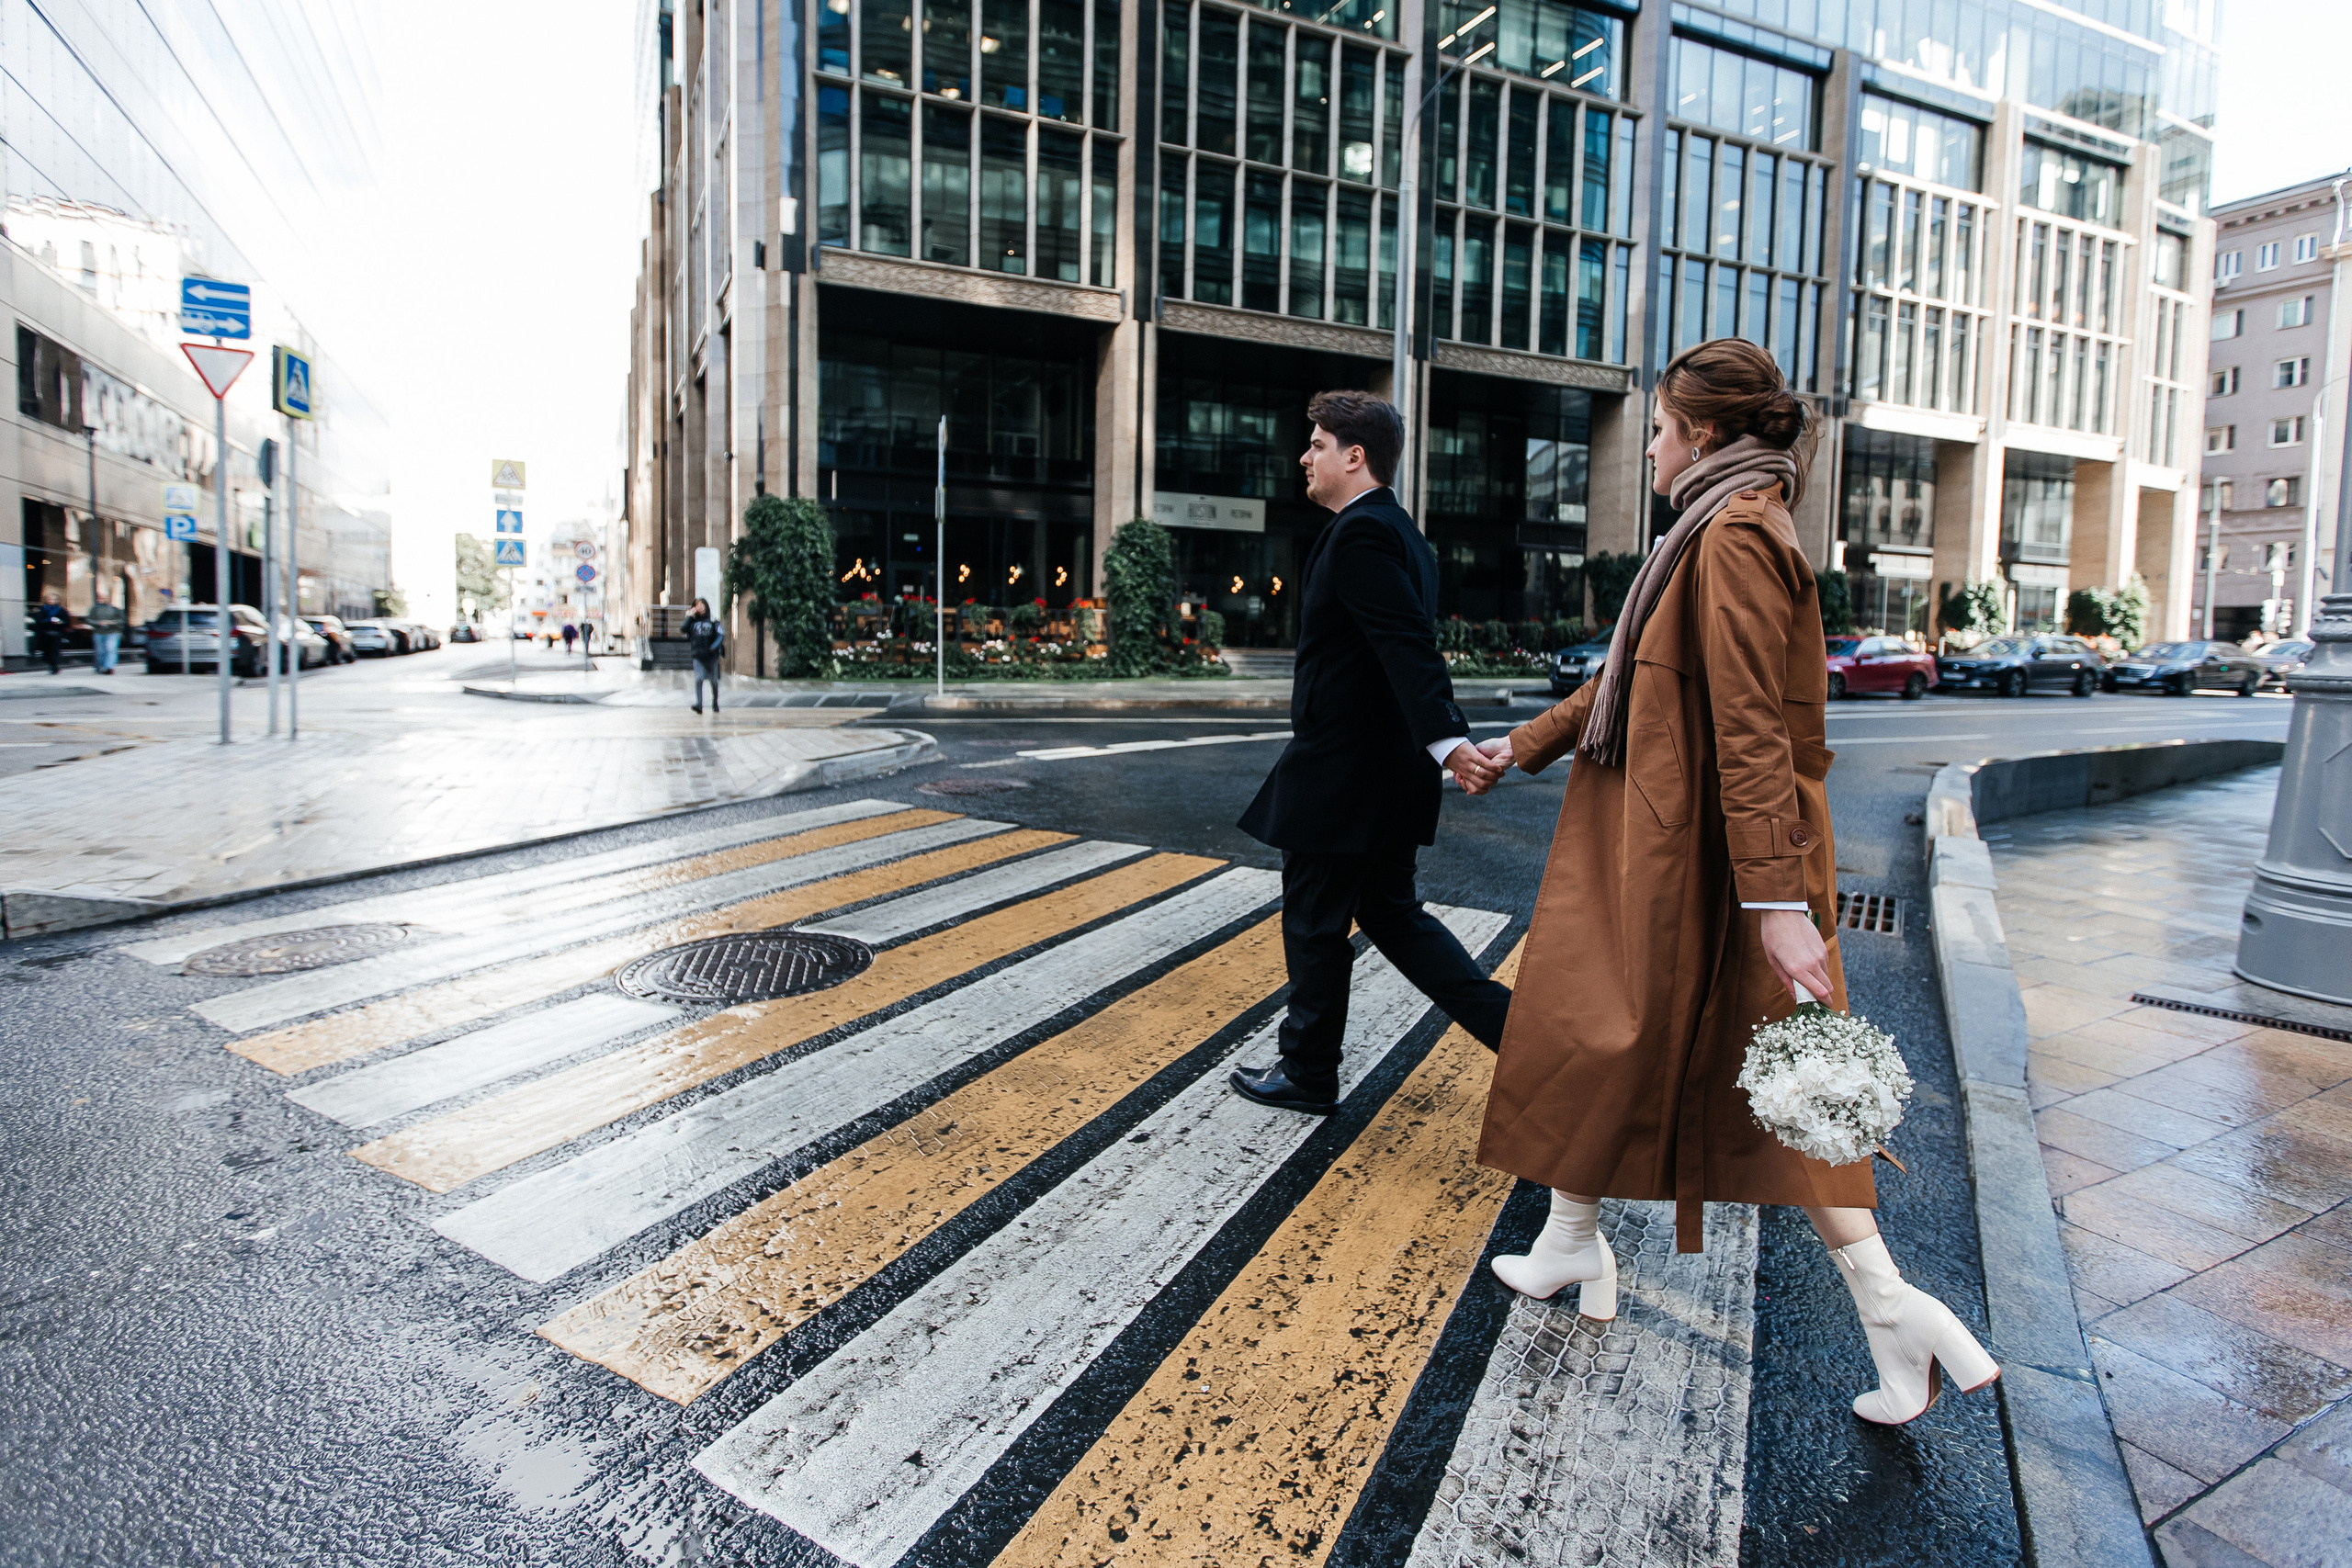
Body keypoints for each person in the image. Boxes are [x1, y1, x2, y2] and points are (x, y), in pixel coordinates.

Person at [1473, 338, 1996, 1427]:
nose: (1650, 448)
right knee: (1606, 1034)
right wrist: (1517, 747)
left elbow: (1755, 727)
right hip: (1672, 843)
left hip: (1702, 862)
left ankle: (1894, 1308)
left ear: (1703, 433)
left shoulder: (1738, 535)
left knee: (1778, 1086)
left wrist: (1774, 900)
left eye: (1661, 429)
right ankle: (1569, 1238)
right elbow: (1626, 680)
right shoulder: (1710, 530)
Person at [1230, 389, 1512, 1116]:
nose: (1305, 456)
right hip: (1381, 777)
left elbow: (1406, 645)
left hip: (1343, 781)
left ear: (1355, 456)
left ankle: (1307, 1071)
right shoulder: (1402, 533)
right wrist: (1439, 745)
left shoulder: (1361, 534)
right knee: (1394, 917)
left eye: (1317, 444)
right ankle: (1527, 1037)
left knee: (1314, 923)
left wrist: (1450, 744)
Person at [684, 597, 724, 714]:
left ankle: (715, 702)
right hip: (698, 655)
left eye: (702, 604)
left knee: (713, 681)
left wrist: (713, 647)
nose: (700, 607)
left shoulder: (713, 621)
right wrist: (689, 616)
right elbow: (683, 629)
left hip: (712, 656)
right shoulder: (693, 622)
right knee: (699, 678)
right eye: (697, 605)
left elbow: (720, 635)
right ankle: (699, 704)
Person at [87, 584, 126, 675]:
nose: (103, 599)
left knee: (110, 649)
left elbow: (122, 620)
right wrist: (98, 623)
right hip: (99, 632)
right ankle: (102, 666)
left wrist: (112, 622)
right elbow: (89, 620)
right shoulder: (94, 609)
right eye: (101, 598)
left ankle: (109, 667)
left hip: (112, 632)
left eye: (105, 597)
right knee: (100, 651)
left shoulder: (115, 609)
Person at [31, 589, 70, 675]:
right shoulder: (43, 609)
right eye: (49, 599)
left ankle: (54, 666)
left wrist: (60, 623)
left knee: (55, 651)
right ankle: (51, 664)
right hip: (45, 634)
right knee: (47, 651)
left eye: (53, 599)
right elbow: (38, 622)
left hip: (56, 634)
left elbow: (66, 622)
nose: (51, 601)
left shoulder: (61, 610)